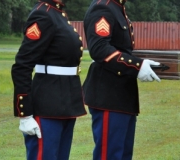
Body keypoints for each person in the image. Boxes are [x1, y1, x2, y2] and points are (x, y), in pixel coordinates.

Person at [83, 0, 161, 159]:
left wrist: (142, 63)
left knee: (124, 154)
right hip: (108, 94)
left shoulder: (117, 8)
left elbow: (121, 48)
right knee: (109, 155)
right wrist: (137, 65)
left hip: (122, 94)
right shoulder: (103, 7)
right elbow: (99, 48)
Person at [11, 0, 87, 159]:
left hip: (65, 104)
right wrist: (24, 114)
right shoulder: (43, 14)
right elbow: (22, 65)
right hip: (47, 105)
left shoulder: (57, 13)